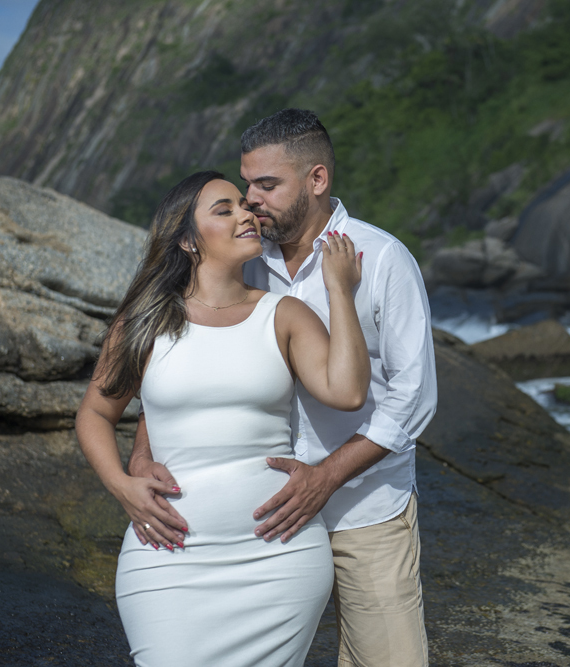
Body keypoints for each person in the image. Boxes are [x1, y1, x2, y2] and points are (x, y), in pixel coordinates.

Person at [128, 109, 438, 666]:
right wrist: (144, 451)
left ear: (316, 180)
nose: (252, 201)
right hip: (258, 520)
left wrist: (326, 476)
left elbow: (413, 398)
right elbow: (189, 360)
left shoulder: (383, 259)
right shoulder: (243, 257)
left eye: (267, 185)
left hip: (362, 509)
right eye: (247, 184)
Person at [75, 169, 371, 666]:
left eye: (244, 204)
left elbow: (348, 391)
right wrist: (121, 484)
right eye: (225, 209)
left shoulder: (285, 314)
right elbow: (95, 414)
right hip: (169, 558)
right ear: (188, 240)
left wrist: (340, 290)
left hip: (280, 557)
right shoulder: (143, 322)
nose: (246, 214)